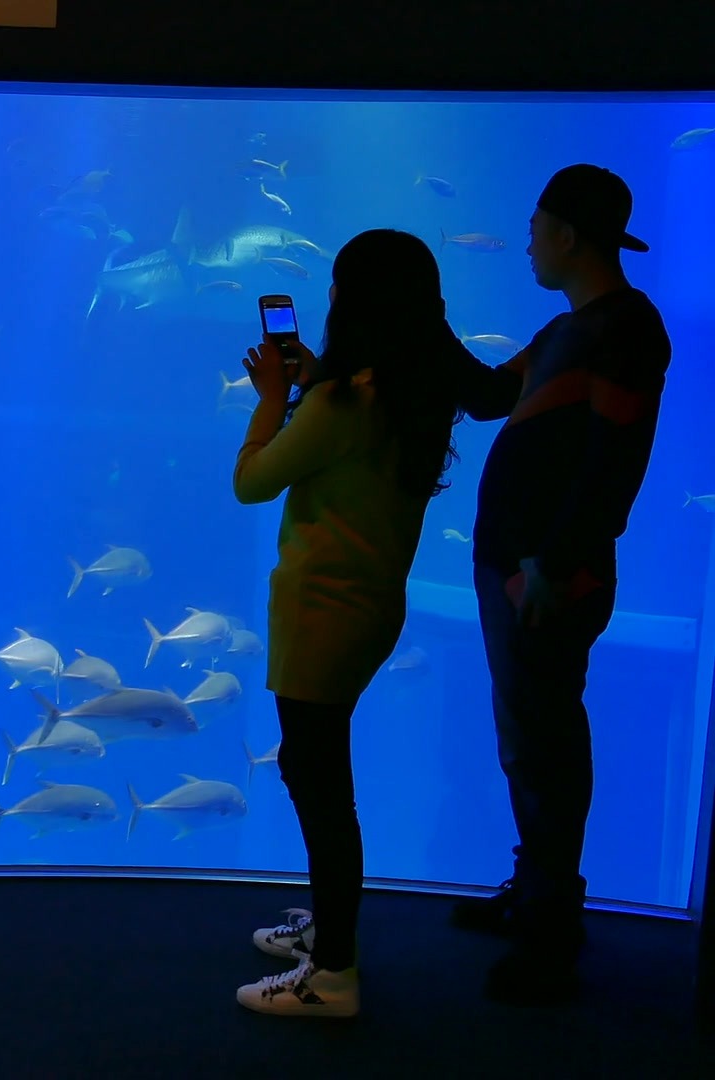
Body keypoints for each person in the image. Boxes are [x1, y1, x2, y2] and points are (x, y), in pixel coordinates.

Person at [444, 164, 669, 1004]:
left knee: (545, 745)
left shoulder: (627, 330)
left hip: (545, 577)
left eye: (537, 226)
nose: (529, 240)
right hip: (514, 569)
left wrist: (557, 563)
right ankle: (535, 892)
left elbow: (616, 463)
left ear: (567, 234)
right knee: (526, 739)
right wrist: (422, 324)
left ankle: (550, 927)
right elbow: (486, 398)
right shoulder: (562, 330)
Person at [228, 229, 463, 1018]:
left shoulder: (337, 401)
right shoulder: (410, 391)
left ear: (351, 302)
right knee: (314, 771)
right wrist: (314, 382)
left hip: (321, 611)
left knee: (321, 789)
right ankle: (329, 929)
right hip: (369, 607)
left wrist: (270, 401)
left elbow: (252, 482)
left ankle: (332, 976)